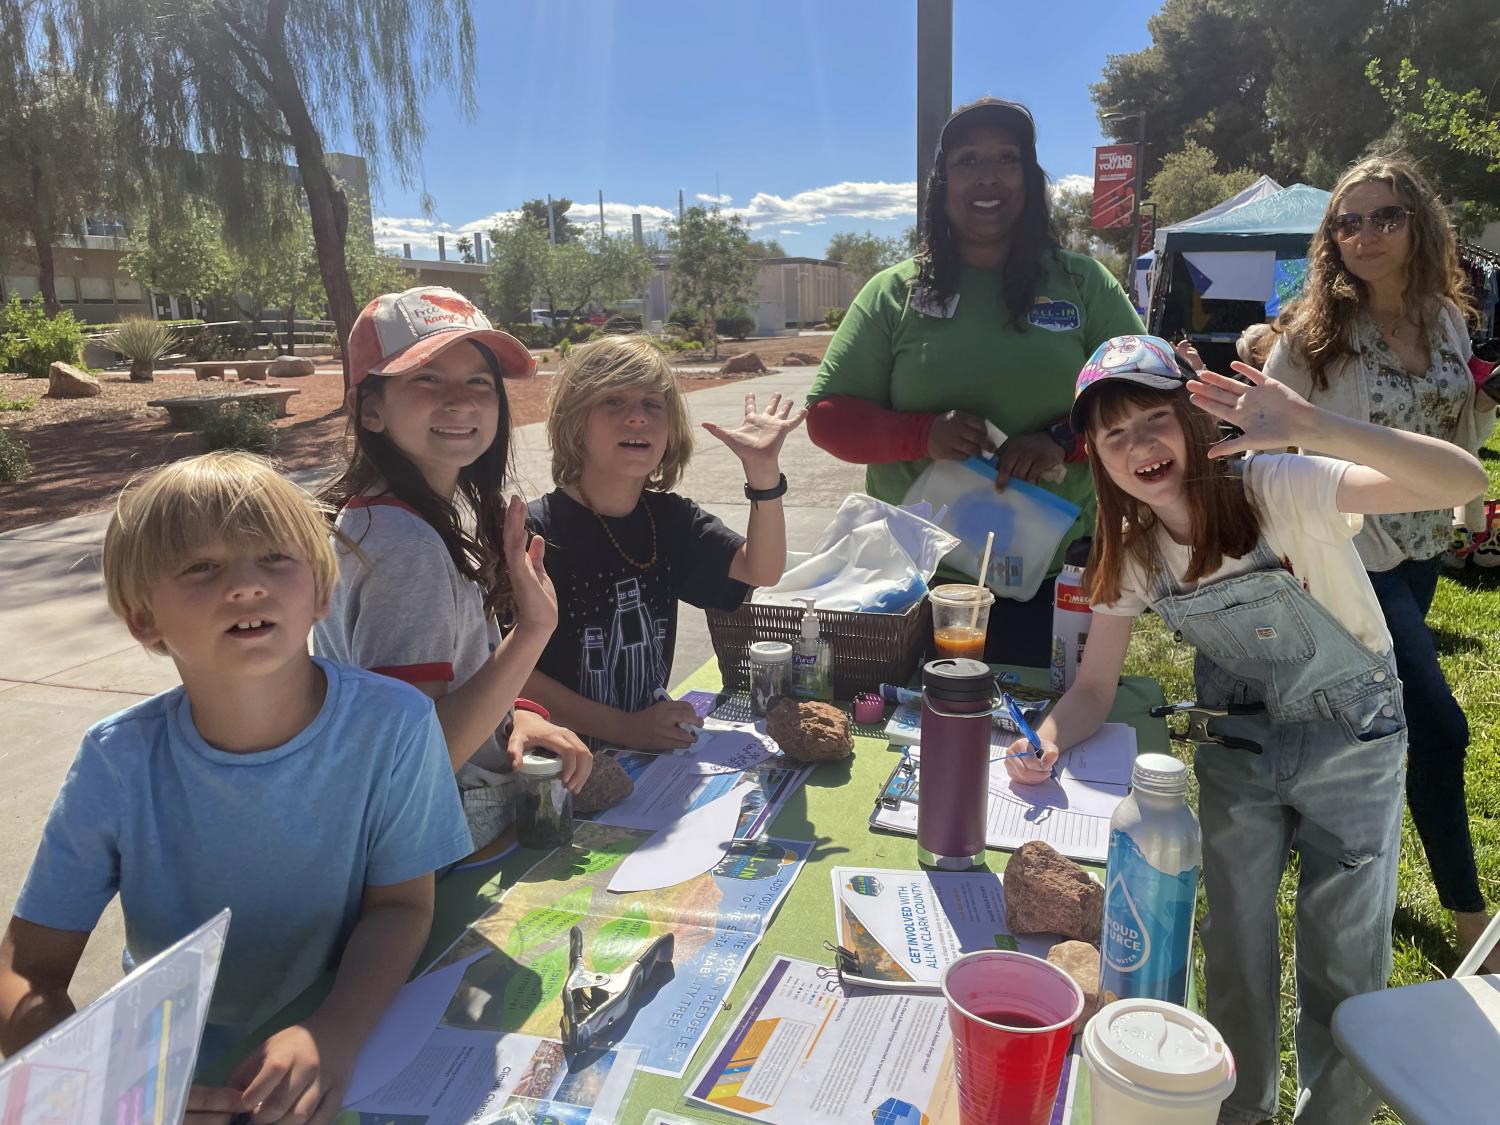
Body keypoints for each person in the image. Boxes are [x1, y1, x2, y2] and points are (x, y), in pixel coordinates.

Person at [1003, 335, 1485, 1124]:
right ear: (1095, 452)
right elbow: (1093, 687)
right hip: (1239, 748)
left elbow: (1461, 478)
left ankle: (1331, 1114)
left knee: (1344, 959)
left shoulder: (1282, 483)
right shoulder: (1130, 552)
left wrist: (1314, 425)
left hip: (1354, 744)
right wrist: (1049, 737)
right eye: (1114, 434)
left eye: (1155, 419)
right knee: (1230, 949)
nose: (1139, 447)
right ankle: (1238, 1110)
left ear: (1194, 422)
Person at [0, 453, 473, 1122]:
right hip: (177, 1082)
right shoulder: (117, 760)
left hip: (350, 1051)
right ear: (143, 617)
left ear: (321, 591)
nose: (247, 585)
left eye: (276, 557)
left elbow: (401, 907)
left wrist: (333, 1030)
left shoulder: (395, 723)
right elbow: (25, 969)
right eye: (202, 567)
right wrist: (101, 1082)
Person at [1262, 154, 1500, 969]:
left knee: (1373, 721)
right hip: (1351, 553)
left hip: (1425, 549)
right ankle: (1473, 924)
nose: (1365, 233)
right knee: (1438, 726)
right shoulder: (1312, 336)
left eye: (1385, 216)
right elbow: (1263, 446)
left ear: (1418, 225)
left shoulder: (1445, 322)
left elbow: (1452, 426)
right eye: (1348, 220)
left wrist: (1468, 489)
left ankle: (1339, 844)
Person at [806, 96, 1144, 665]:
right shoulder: (895, 291)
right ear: (941, 182)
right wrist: (923, 435)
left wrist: (1063, 441)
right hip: (910, 583)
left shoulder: (1082, 283)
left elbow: (1148, 404)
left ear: (1030, 178)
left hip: (1055, 577)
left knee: (1040, 739)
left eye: (1006, 159)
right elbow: (827, 418)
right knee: (906, 734)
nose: (987, 177)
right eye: (967, 161)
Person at [316, 286, 593, 848]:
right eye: (427, 378)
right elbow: (423, 754)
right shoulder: (405, 547)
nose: (460, 401)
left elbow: (445, 689)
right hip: (446, 828)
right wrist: (534, 631)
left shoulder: (386, 515)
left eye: (478, 383)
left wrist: (518, 714)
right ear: (369, 408)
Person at [523, 334, 805, 749]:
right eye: (613, 401)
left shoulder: (670, 520)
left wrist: (763, 474)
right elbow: (511, 671)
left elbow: (762, 568)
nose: (637, 417)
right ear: (574, 421)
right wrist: (622, 727)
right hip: (555, 759)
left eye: (653, 404)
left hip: (646, 751)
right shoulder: (536, 531)